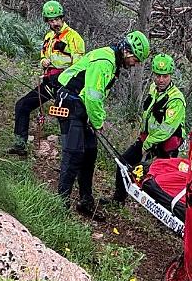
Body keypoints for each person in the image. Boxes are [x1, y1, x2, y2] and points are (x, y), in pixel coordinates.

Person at [54, 31, 150, 220]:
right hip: (70, 100)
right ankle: (60, 205)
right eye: (136, 60)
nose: (135, 64)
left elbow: (93, 95)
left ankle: (86, 200)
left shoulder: (112, 61)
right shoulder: (105, 62)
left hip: (81, 103)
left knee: (90, 151)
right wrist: (98, 122)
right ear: (128, 52)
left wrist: (94, 118)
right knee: (74, 154)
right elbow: (93, 95)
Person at [8, 0, 85, 157]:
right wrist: (43, 61)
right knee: (22, 105)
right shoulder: (49, 37)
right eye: (50, 20)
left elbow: (78, 67)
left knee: (66, 121)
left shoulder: (74, 37)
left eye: (56, 19)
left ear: (62, 18)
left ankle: (70, 158)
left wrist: (63, 79)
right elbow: (44, 54)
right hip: (49, 83)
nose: (54, 23)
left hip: (65, 86)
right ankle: (19, 145)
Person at [113, 53, 186, 204]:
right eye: (158, 76)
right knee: (123, 163)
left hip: (166, 145)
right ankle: (118, 200)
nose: (161, 80)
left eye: (165, 76)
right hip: (148, 138)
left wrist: (147, 145)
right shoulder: (153, 88)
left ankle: (165, 211)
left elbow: (166, 129)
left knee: (161, 181)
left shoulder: (176, 99)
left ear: (170, 75)